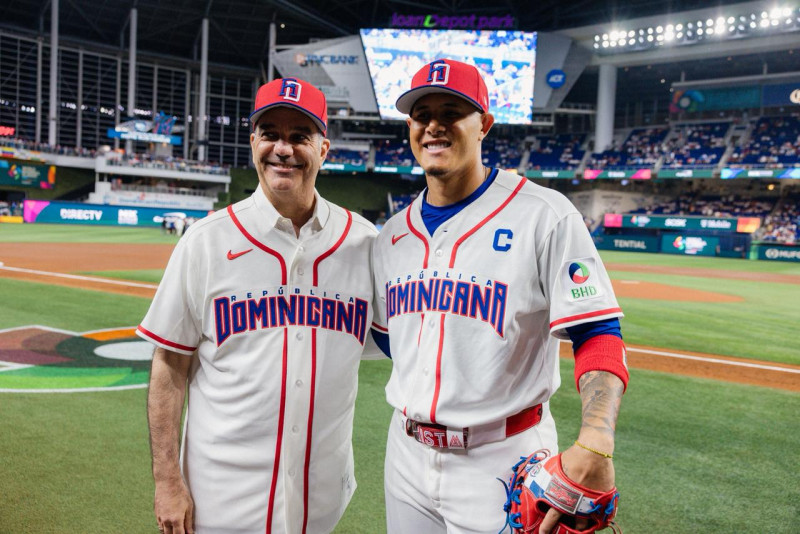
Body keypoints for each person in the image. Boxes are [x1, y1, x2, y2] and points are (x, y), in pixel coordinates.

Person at [371, 59, 629, 534]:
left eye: (452, 111)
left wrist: (596, 439)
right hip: (405, 453)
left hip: (504, 458)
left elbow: (598, 332)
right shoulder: (391, 236)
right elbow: (396, 341)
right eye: (421, 113)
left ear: (484, 125)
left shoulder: (545, 214)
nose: (434, 125)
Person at [138, 77, 380, 534]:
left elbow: (407, 342)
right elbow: (169, 365)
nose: (282, 149)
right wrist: (167, 480)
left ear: (324, 149)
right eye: (270, 133)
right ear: (253, 143)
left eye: (299, 136)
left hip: (321, 492)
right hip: (219, 493)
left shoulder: (364, 244)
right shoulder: (206, 241)